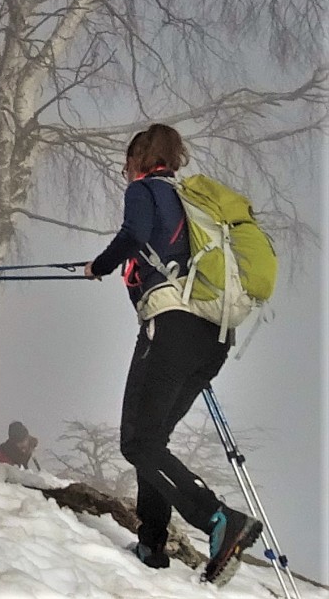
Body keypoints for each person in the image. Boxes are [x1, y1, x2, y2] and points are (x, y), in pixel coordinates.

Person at [85, 123, 261, 582]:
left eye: (126, 163)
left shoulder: (147, 191)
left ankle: (218, 519)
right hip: (213, 338)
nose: (124, 172)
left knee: (138, 442)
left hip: (173, 328)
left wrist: (98, 267)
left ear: (139, 159)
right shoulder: (192, 200)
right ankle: (152, 544)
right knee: (152, 441)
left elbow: (134, 233)